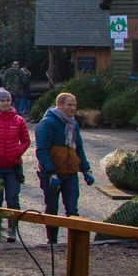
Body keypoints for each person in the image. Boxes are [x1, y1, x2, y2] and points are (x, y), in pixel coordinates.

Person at [35, 92, 95, 244]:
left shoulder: (73, 124)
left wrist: (86, 170)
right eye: (69, 104)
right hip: (52, 173)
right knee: (52, 207)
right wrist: (51, 172)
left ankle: (74, 243)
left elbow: (78, 148)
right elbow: (42, 150)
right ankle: (52, 240)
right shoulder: (47, 123)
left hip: (70, 173)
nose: (73, 108)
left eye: (74, 105)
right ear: (60, 105)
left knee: (72, 209)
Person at [0, 88, 30, 242]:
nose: (5, 103)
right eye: (2, 101)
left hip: (13, 166)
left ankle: (12, 230)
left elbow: (26, 141)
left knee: (13, 199)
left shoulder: (19, 120)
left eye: (7, 100)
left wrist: (17, 152)